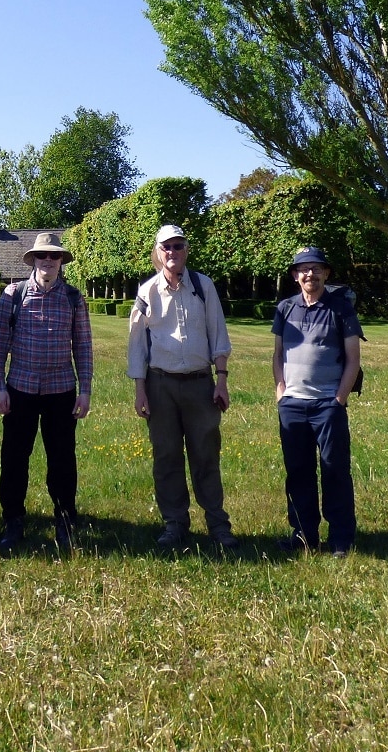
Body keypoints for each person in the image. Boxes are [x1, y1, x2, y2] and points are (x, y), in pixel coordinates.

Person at [126, 224, 239, 552]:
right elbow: (137, 347)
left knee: (206, 454)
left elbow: (219, 335)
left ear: (187, 250)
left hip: (200, 385)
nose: (172, 252)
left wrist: (222, 381)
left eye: (178, 246)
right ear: (158, 253)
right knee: (166, 456)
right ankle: (174, 523)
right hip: (160, 386)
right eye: (166, 247)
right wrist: (140, 390)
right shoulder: (147, 292)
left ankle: (217, 522)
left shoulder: (203, 287)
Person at [0, 232, 93, 554]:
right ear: (32, 259)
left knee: (62, 459)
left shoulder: (73, 298)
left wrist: (85, 389)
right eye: (42, 256)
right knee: (14, 459)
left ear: (61, 261)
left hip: (61, 390)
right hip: (19, 388)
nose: (48, 261)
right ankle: (13, 520)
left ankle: (64, 519)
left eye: (55, 256)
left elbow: (84, 347)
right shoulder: (13, 294)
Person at [272, 246, 362, 558]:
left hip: (328, 405)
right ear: (296, 276)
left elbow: (353, 359)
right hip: (293, 405)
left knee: (335, 470)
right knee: (298, 471)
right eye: (304, 269)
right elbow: (277, 354)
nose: (310, 274)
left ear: (326, 273)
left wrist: (339, 398)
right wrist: (281, 388)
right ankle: (304, 535)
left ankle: (341, 538)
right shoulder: (285, 309)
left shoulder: (341, 309)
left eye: (317, 268)